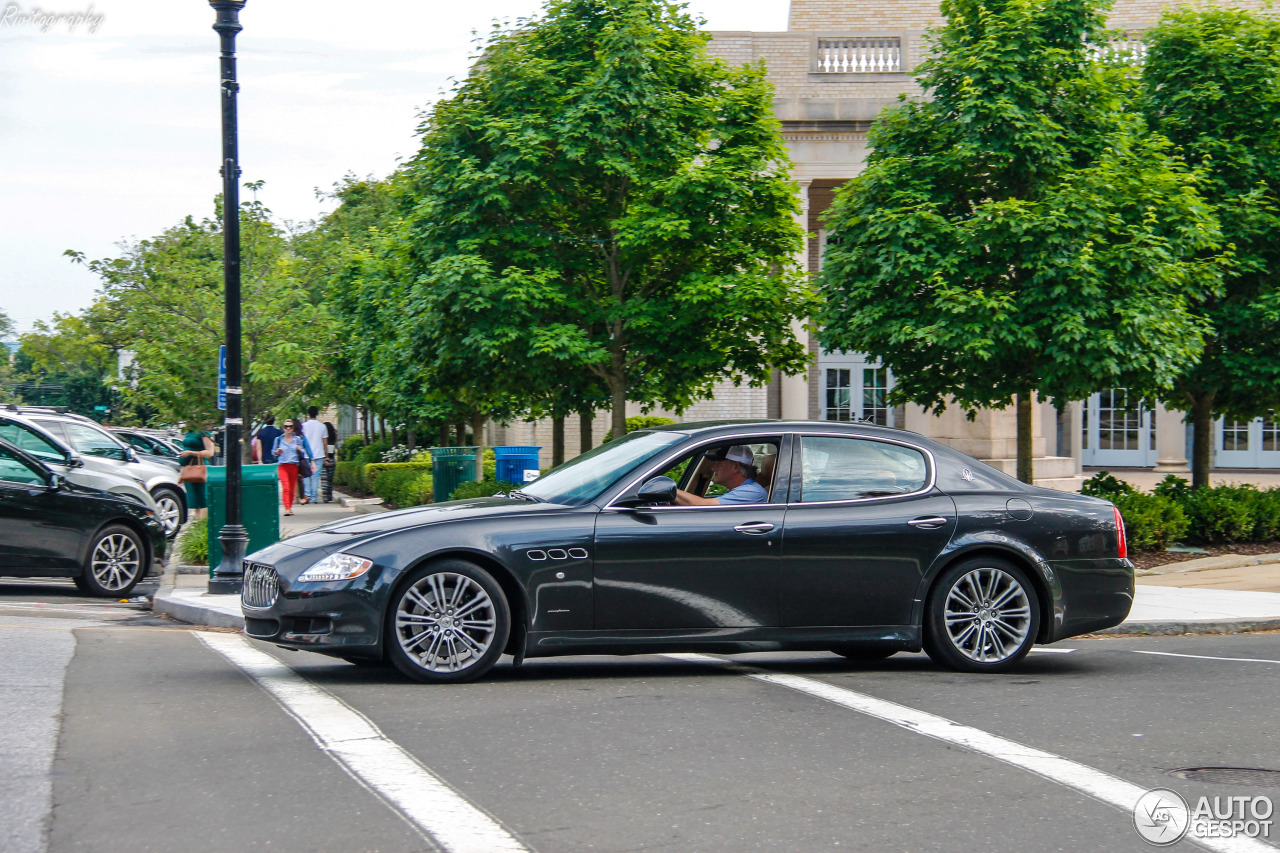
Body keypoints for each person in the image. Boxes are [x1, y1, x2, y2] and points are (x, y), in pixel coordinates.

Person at [674, 445, 768, 506]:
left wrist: (671, 491)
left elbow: (704, 507)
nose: (713, 468)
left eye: (719, 464)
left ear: (735, 467)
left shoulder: (751, 492)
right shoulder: (739, 490)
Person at [177, 421, 217, 520]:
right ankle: (196, 521)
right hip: (188, 469)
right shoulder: (188, 433)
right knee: (193, 499)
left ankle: (202, 522)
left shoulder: (203, 432)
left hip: (199, 468)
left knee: (202, 498)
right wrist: (181, 473)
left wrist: (191, 453)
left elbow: (210, 452)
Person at [272, 419, 312, 516]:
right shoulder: (278, 439)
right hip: (282, 466)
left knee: (291, 487)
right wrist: (277, 452)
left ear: (293, 428)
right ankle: (287, 508)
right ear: (283, 428)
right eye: (286, 427)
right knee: (286, 487)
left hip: (294, 465)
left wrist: (300, 449)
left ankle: (289, 507)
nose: (288, 428)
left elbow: (302, 451)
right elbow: (273, 452)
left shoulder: (297, 439)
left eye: (290, 426)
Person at [300, 406, 328, 506]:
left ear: (308, 413)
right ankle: (314, 498)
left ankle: (307, 495)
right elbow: (325, 442)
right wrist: (326, 455)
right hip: (319, 454)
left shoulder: (303, 426)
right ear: (317, 413)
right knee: (316, 477)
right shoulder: (322, 426)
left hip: (306, 455)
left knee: (307, 476)